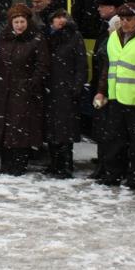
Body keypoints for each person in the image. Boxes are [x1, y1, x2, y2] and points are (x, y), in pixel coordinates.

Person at [92, 2, 135, 188]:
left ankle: (134, 177)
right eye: (122, 19)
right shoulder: (114, 36)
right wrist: (101, 91)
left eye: (128, 19)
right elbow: (108, 67)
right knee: (114, 139)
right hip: (116, 97)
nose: (124, 23)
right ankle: (113, 174)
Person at [0, 3, 50, 175]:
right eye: (16, 22)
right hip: (3, 90)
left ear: (28, 21)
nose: (19, 25)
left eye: (22, 21)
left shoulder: (36, 39)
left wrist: (31, 83)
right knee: (3, 128)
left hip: (25, 91)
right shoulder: (3, 38)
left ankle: (18, 165)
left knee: (21, 129)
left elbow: (42, 65)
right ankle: (5, 164)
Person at [45, 9, 87, 178]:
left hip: (67, 89)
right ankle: (54, 164)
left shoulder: (75, 37)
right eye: (56, 18)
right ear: (51, 22)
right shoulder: (48, 37)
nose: (60, 20)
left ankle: (66, 165)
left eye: (63, 17)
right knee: (51, 128)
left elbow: (81, 64)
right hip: (50, 89)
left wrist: (77, 86)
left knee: (65, 129)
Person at [91, 0, 124, 171]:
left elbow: (106, 64)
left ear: (112, 8)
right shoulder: (106, 28)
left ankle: (106, 164)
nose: (98, 9)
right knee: (103, 127)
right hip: (105, 86)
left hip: (109, 89)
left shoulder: (113, 29)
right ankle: (104, 161)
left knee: (106, 128)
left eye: (102, 5)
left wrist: (101, 88)